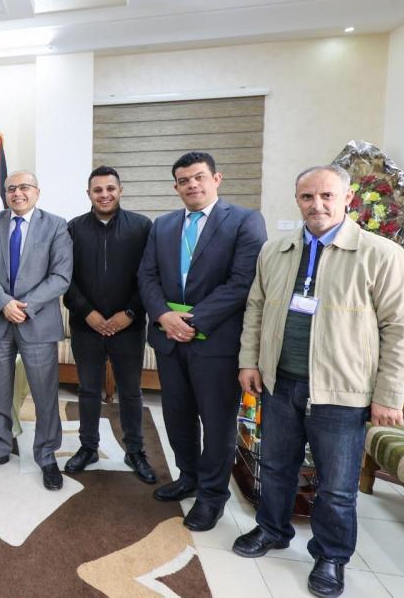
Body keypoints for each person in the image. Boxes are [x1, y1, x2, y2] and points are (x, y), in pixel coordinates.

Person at [231, 165, 404, 598]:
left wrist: (389, 395)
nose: (316, 204)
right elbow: (256, 309)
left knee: (336, 487)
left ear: (347, 199)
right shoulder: (276, 251)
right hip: (280, 384)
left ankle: (331, 555)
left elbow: (403, 328)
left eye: (326, 196)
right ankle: (272, 529)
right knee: (275, 468)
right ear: (297, 200)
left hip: (342, 393)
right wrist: (249, 361)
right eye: (307, 197)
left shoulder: (380, 254)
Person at [137, 151, 267, 531]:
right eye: (183, 180)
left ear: (216, 178)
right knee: (177, 416)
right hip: (169, 340)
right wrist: (163, 316)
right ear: (176, 187)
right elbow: (147, 276)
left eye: (198, 177)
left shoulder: (244, 221)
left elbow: (243, 282)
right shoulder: (162, 225)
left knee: (217, 423)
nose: (191, 185)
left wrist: (192, 321)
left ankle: (212, 496)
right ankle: (188, 476)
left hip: (217, 344)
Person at [0, 171, 73, 490]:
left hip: (37, 322)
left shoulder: (56, 225)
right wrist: (3, 303)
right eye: (11, 188)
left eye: (24, 187)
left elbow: (61, 276)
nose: (17, 193)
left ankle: (46, 455)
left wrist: (23, 307)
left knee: (45, 394)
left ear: (37, 192)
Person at [63, 166, 156, 482]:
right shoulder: (73, 228)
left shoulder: (142, 227)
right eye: (98, 190)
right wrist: (87, 312)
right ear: (88, 193)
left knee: (130, 391)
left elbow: (149, 276)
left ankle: (135, 451)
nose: (104, 195)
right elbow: (65, 277)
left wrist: (128, 313)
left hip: (128, 326)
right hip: (85, 326)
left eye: (110, 189)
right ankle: (88, 447)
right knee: (88, 390)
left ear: (120, 190)